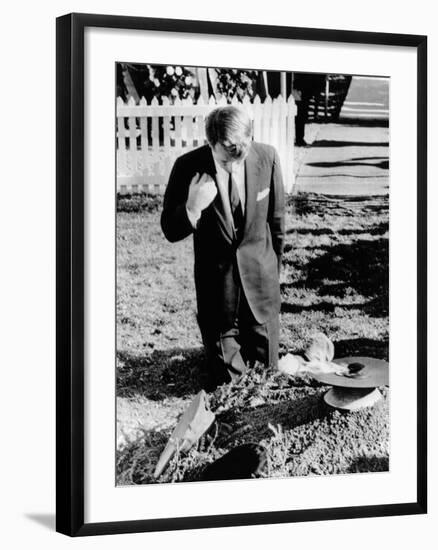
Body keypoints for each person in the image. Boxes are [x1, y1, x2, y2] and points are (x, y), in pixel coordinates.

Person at [161, 106, 285, 391]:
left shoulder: (267, 158)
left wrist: (272, 276)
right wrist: (192, 207)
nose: (234, 165)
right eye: (226, 159)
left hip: (260, 284)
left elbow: (276, 224)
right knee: (228, 385)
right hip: (217, 292)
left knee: (268, 378)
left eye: (240, 157)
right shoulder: (187, 166)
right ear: (210, 142)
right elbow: (169, 228)